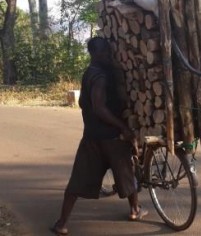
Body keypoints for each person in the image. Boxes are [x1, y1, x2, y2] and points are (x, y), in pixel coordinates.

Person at [51, 37, 148, 235]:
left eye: (108, 51)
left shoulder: (89, 73)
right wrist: (122, 126)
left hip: (92, 136)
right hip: (111, 138)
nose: (108, 55)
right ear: (95, 54)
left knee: (79, 180)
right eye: (104, 52)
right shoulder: (101, 78)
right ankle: (134, 209)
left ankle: (62, 223)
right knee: (126, 172)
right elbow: (99, 108)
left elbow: (83, 104)